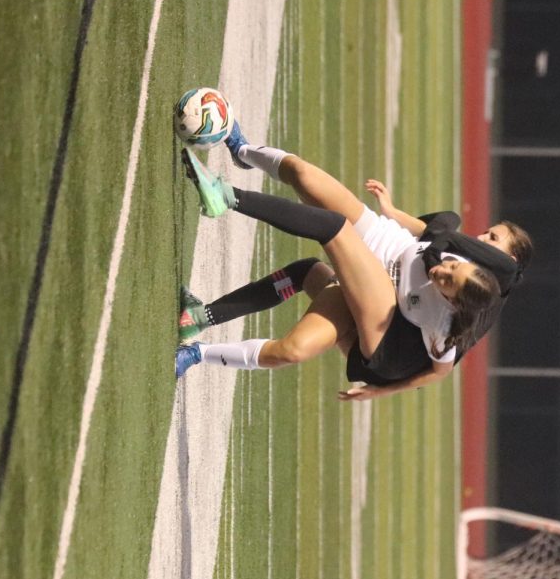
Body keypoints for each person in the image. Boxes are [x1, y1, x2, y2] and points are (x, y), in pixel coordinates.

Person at [174, 124, 531, 400]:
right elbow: (430, 229)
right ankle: (242, 150)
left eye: (494, 239)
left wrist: (382, 389)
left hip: (381, 307)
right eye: (452, 266)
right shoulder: (463, 255)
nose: (444, 269)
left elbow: (440, 371)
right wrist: (391, 212)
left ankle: (195, 352)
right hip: (379, 245)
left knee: (294, 344)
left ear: (452, 301)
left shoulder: (452, 323)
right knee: (303, 176)